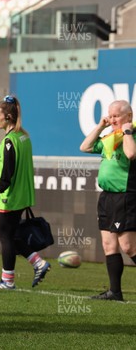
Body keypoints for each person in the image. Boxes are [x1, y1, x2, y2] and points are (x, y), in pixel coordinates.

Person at [0, 95, 50, 289]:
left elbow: (7, 173)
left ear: (8, 117)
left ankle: (8, 281)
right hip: (22, 196)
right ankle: (38, 262)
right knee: (11, 235)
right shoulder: (24, 137)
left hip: (9, 197)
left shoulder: (9, 141)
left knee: (4, 236)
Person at [80, 99, 136, 301]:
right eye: (110, 115)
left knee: (129, 246)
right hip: (107, 197)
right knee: (108, 245)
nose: (112, 119)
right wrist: (100, 126)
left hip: (125, 196)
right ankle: (115, 292)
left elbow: (131, 153)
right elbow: (85, 147)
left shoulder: (131, 136)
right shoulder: (109, 138)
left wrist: (128, 131)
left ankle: (115, 292)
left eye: (116, 116)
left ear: (128, 117)